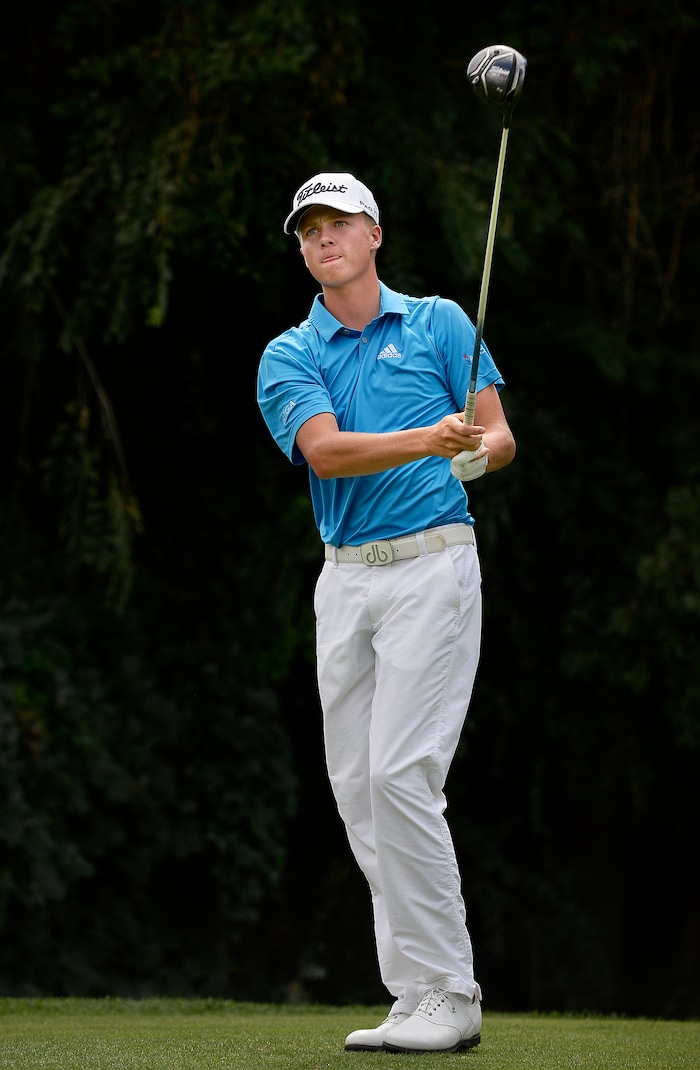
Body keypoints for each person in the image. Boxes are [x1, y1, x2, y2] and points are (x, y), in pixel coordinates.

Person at [256, 172, 516, 1054]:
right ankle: (413, 994)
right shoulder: (289, 353)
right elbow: (325, 454)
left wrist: (471, 454)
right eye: (308, 229)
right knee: (360, 792)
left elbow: (498, 435)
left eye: (339, 223)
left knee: (403, 772)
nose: (323, 238)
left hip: (433, 568)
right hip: (346, 580)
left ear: (376, 234)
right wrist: (429, 438)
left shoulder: (442, 321)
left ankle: (451, 990)